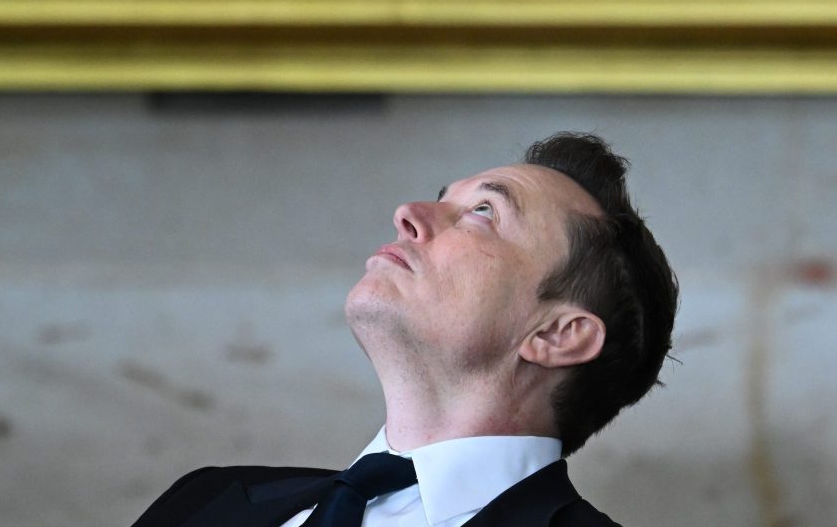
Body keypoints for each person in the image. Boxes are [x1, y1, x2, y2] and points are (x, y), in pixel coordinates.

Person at [130, 131, 678, 527]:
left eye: (484, 213)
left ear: (558, 334)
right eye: (444, 199)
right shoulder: (206, 501)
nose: (409, 213)